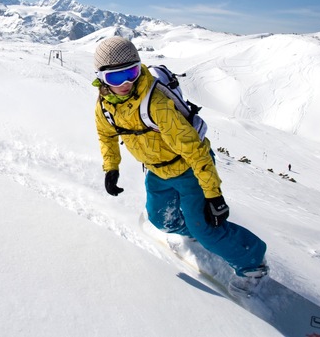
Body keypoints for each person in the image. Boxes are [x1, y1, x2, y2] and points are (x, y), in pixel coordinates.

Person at [93, 36, 268, 293]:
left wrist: (214, 195)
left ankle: (253, 263)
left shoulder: (156, 104)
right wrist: (111, 167)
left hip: (189, 169)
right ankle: (195, 231)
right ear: (102, 80)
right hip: (157, 171)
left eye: (131, 73)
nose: (127, 83)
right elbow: (106, 135)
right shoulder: (105, 107)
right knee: (160, 220)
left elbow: (195, 150)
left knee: (208, 227)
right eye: (116, 78)